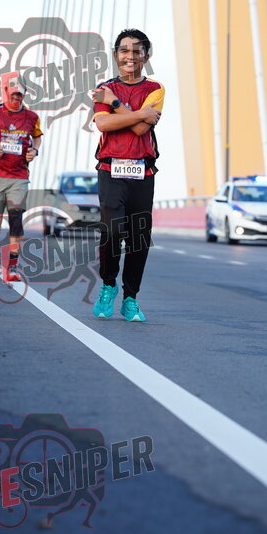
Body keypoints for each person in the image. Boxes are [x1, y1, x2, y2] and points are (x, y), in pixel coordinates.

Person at [90, 28, 164, 322]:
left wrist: (115, 104)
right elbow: (103, 125)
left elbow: (141, 129)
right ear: (115, 54)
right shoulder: (103, 87)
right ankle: (108, 285)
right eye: (124, 50)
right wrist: (138, 112)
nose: (130, 56)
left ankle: (130, 298)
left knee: (139, 237)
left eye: (136, 51)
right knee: (111, 231)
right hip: (111, 168)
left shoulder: (155, 89)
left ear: (146, 55)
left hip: (142, 171)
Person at [0, 75, 42, 282]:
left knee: (16, 221)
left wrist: (34, 151)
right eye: (13, 94)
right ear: (6, 93)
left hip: (19, 176)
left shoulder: (32, 117)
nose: (17, 98)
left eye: (20, 95)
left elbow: (37, 137)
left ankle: (12, 268)